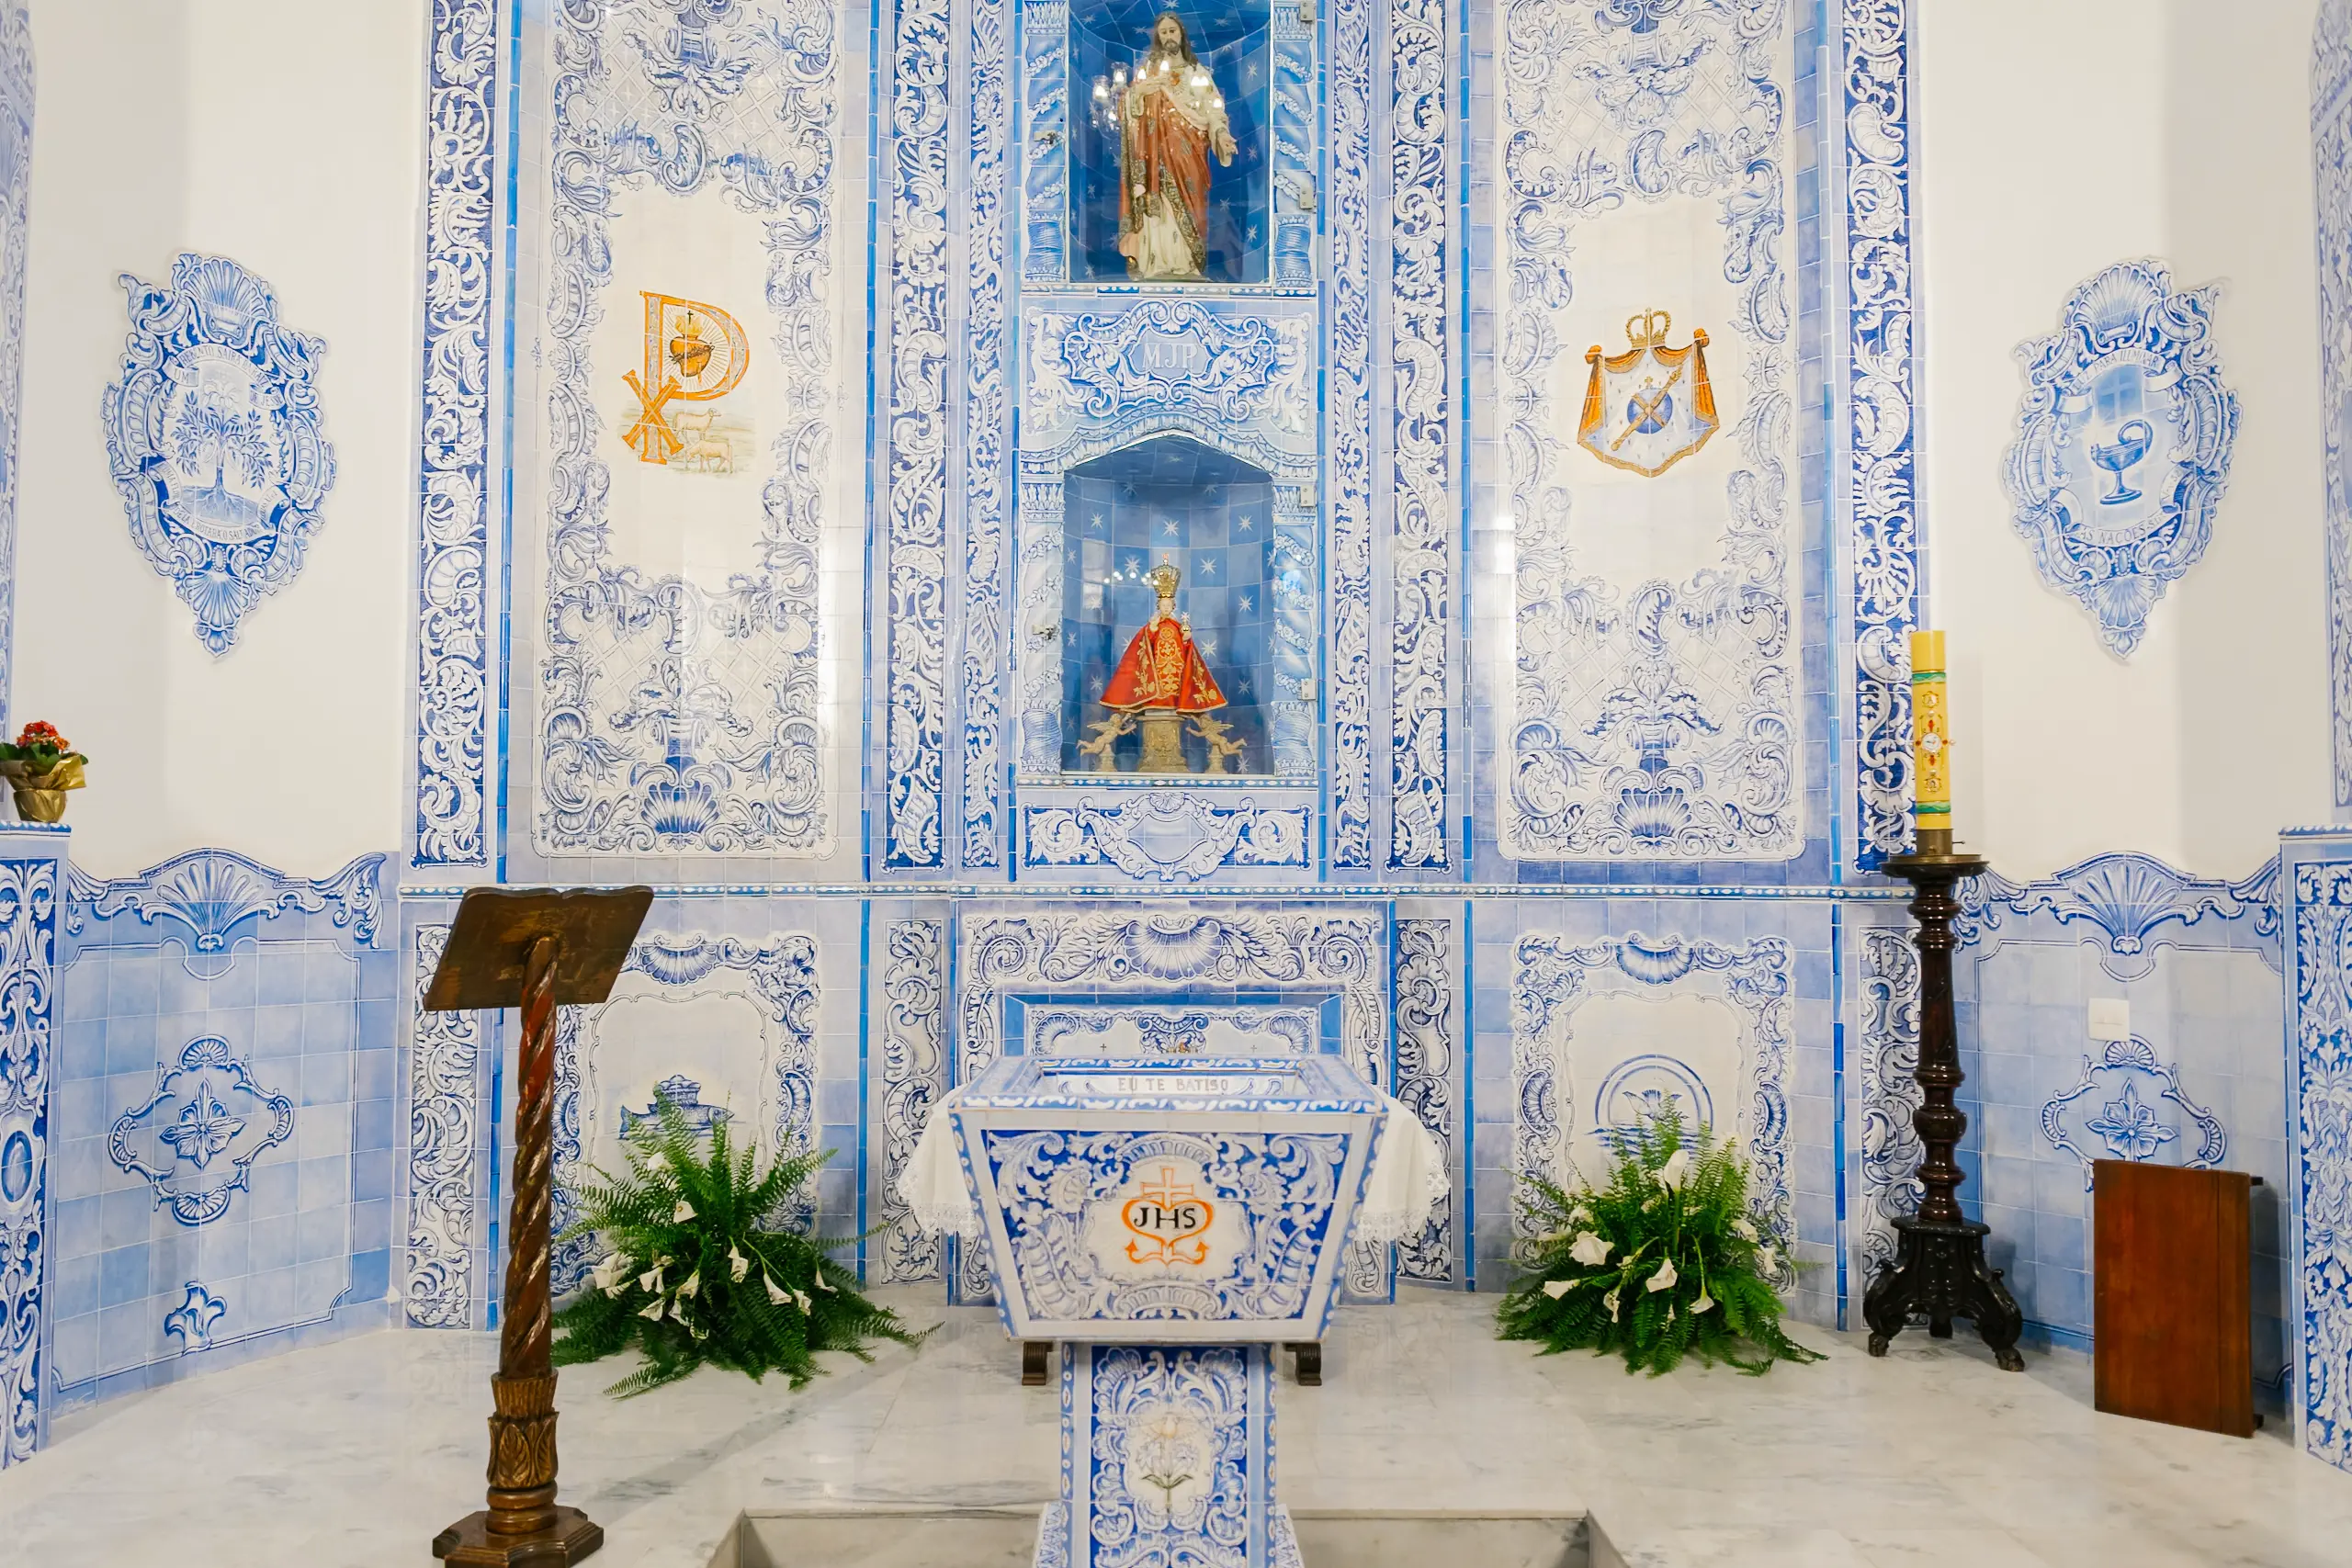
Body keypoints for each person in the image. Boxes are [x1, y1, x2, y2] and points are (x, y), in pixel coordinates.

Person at [1116, 14, 1238, 282]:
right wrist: (1140, 92)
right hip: (1155, 152)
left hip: (1189, 151)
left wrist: (1221, 134)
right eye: (1163, 33)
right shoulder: (1149, 70)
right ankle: (1156, 263)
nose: (1169, 36)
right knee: (1156, 203)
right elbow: (1129, 106)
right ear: (1158, 39)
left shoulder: (1197, 73)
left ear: (1182, 35)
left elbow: (1214, 109)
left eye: (1173, 31)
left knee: (1190, 204)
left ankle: (1187, 265)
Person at [1101, 560, 1227, 715]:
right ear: (1158, 606)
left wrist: (1186, 638)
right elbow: (1145, 645)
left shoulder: (1177, 626)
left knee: (1175, 687)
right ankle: (1155, 699)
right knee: (1158, 688)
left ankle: (1177, 700)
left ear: (1173, 607)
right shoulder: (1154, 625)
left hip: (1176, 670)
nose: (1166, 608)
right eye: (1163, 605)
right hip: (1158, 670)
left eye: (1168, 605)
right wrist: (1152, 630)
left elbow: (1187, 649)